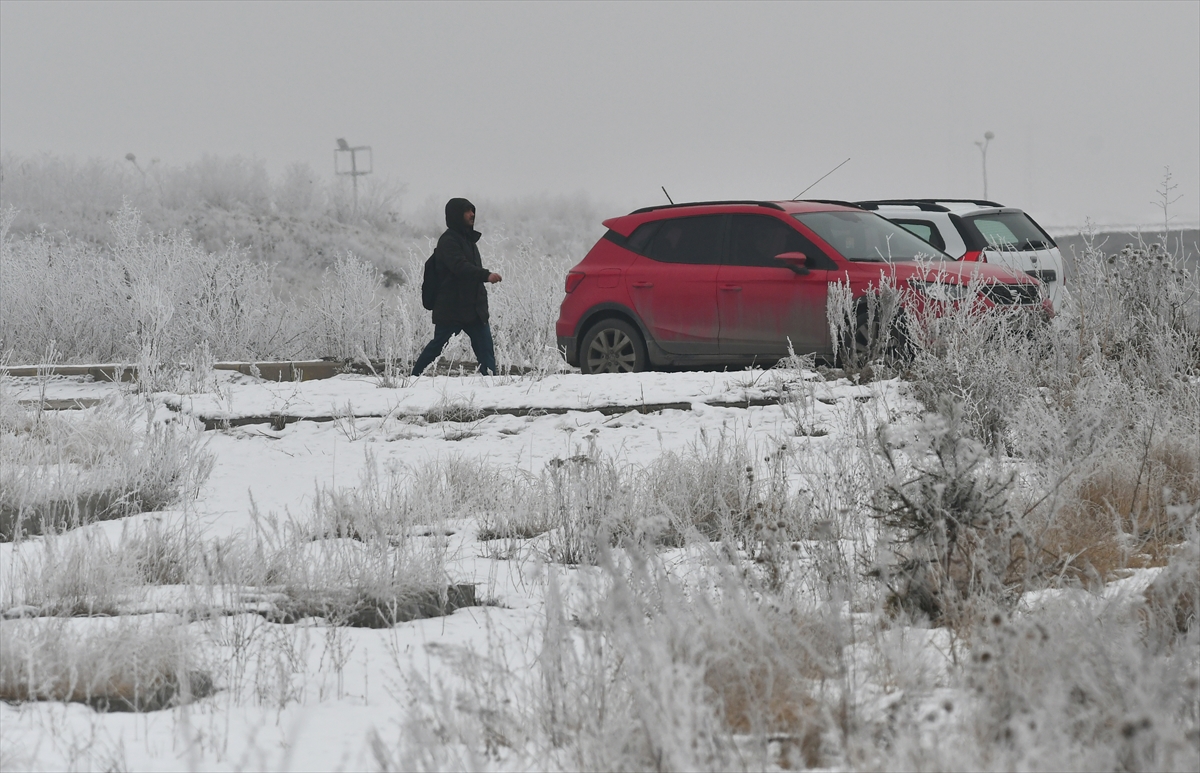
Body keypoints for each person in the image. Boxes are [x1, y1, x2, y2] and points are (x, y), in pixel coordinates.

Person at [412, 198, 502, 376]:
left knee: (486, 352)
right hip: (452, 308)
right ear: (456, 215)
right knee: (437, 347)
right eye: (467, 211)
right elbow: (460, 267)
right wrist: (486, 275)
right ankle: (413, 379)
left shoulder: (468, 240)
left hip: (474, 308)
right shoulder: (449, 241)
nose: (472, 214)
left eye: (472, 210)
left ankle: (493, 387)